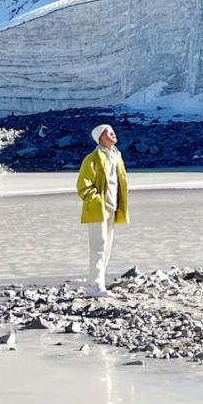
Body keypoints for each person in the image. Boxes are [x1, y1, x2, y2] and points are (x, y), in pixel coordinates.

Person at [76, 123, 129, 296]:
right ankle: (95, 286)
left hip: (112, 207)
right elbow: (83, 186)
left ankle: (98, 283)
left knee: (107, 247)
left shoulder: (116, 156)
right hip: (99, 208)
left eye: (113, 131)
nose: (113, 134)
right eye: (109, 133)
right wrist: (97, 200)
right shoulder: (92, 158)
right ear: (100, 138)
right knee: (98, 246)